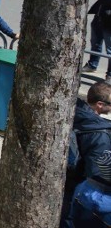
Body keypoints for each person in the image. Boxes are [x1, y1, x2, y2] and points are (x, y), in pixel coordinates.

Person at [67, 82, 111, 227]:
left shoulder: (75, 112)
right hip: (82, 189)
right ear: (99, 104)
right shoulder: (99, 135)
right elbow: (101, 173)